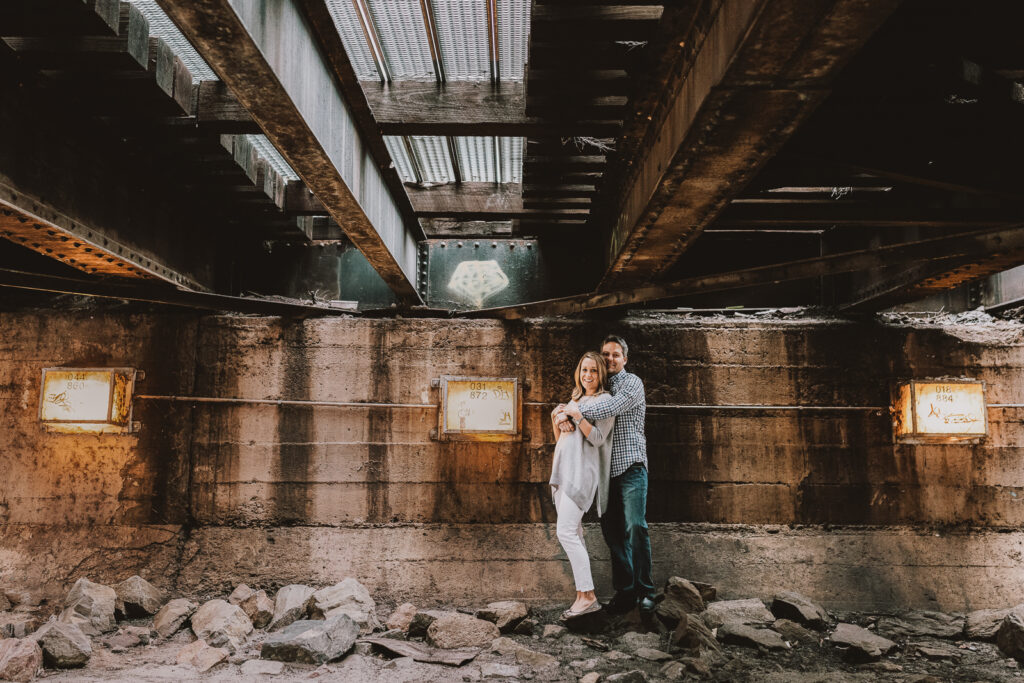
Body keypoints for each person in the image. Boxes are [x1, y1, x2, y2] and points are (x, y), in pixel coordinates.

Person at [557, 335, 654, 614]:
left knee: (635, 526)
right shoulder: (598, 386)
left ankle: (646, 591)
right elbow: (582, 405)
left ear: (625, 358)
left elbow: (609, 407)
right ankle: (625, 592)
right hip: (604, 471)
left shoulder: (631, 384)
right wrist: (562, 414)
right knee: (613, 533)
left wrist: (571, 411)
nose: (610, 359)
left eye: (615, 354)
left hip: (631, 465)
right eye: (606, 354)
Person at [549, 351, 616, 619]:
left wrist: (576, 416)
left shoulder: (605, 401)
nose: (588, 375)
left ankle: (588, 595)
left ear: (601, 374)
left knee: (565, 532)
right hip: (563, 471)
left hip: (581, 475)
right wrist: (557, 418)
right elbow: (561, 439)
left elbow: (598, 438)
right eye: (584, 370)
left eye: (594, 371)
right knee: (574, 533)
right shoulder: (575, 399)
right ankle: (582, 595)